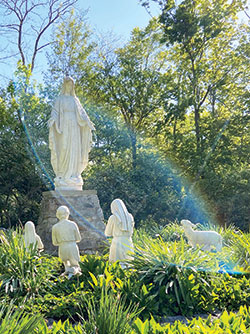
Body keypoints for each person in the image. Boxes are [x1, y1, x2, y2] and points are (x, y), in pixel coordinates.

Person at [48, 76, 95, 190]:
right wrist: (52, 120)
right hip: (64, 127)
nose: (69, 87)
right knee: (63, 148)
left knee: (74, 150)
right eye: (68, 85)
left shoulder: (75, 100)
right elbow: (55, 112)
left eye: (71, 85)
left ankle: (73, 175)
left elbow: (82, 113)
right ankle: (63, 175)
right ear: (64, 86)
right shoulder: (60, 99)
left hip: (74, 127)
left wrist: (88, 122)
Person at [52, 205, 81, 277]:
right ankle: (73, 276)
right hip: (72, 246)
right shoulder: (73, 224)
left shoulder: (55, 227)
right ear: (67, 214)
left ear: (57, 215)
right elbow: (78, 238)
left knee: (66, 265)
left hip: (62, 248)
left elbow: (55, 243)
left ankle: (68, 275)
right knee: (75, 265)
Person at [105, 199, 134, 268]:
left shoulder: (113, 218)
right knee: (128, 262)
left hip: (117, 242)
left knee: (116, 264)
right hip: (128, 241)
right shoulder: (130, 216)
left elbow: (107, 233)